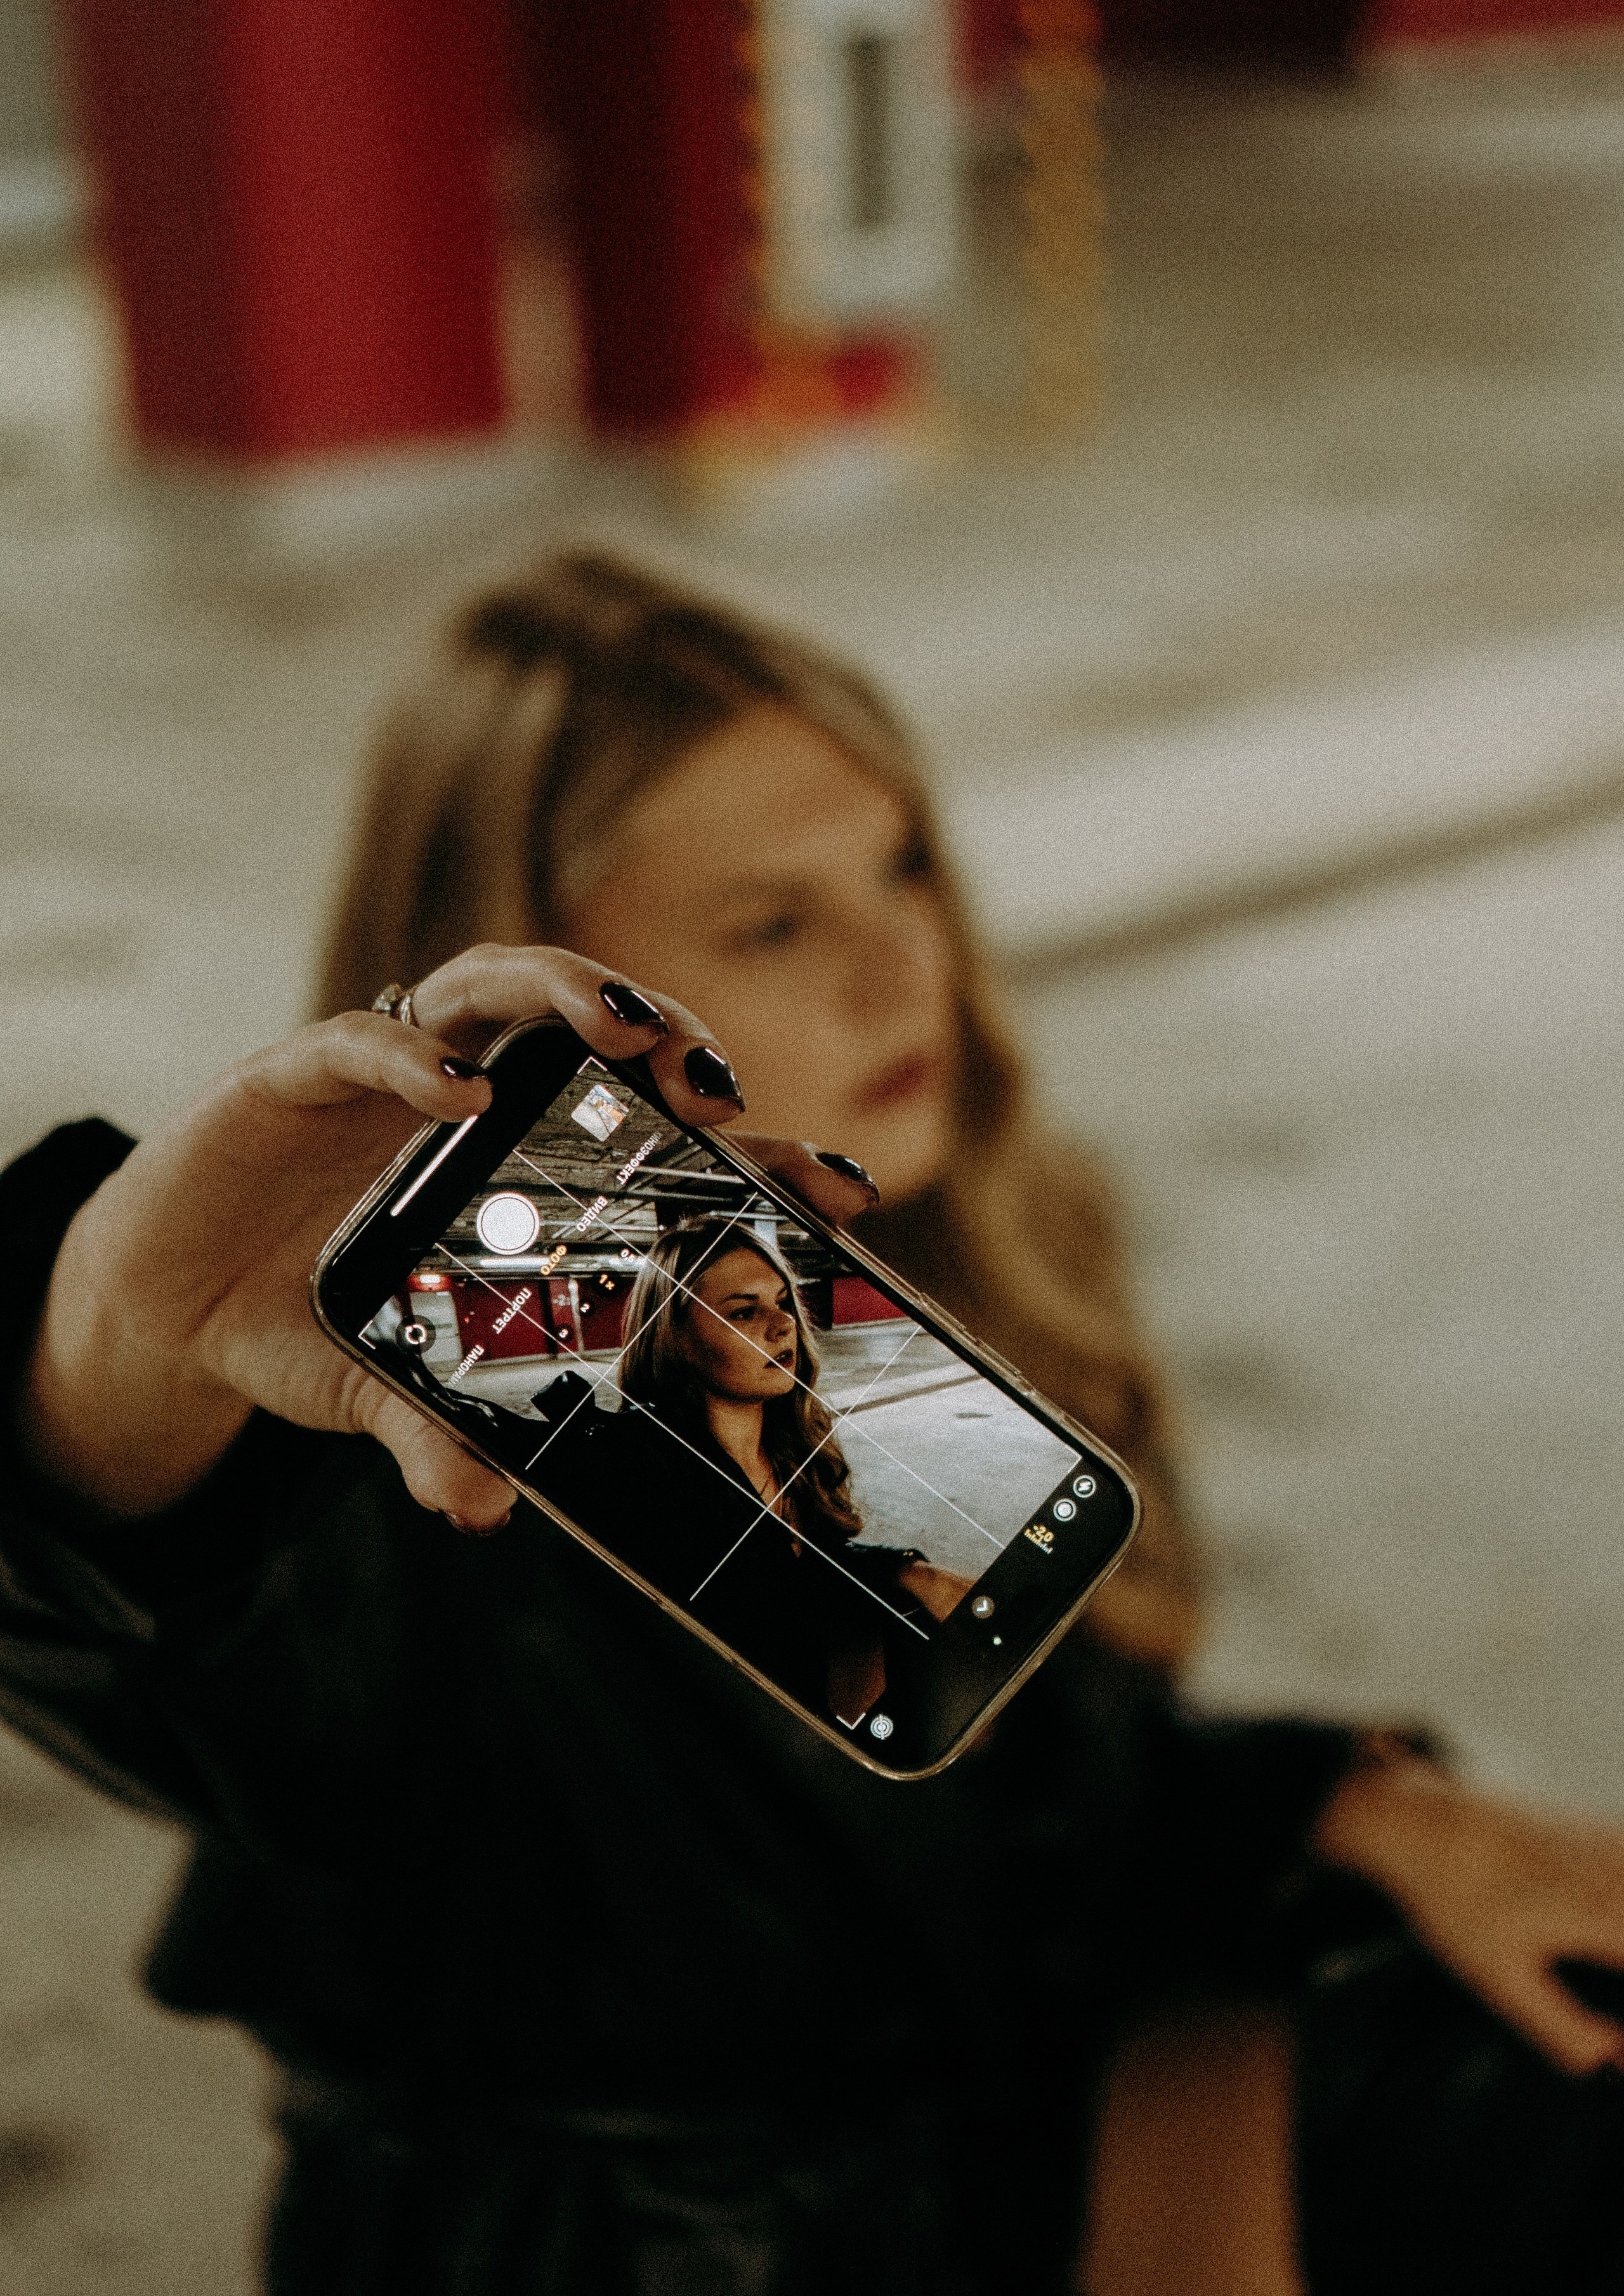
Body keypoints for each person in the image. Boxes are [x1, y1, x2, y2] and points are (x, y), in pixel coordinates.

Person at [4, 556, 1624, 2293]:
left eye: (902, 862)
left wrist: (1345, 1804)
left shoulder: (944, 1257)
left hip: (1008, 2126)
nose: (899, 967)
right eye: (772, 924)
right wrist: (102, 1349)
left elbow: (1019, 1775)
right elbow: (149, 1598)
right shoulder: (404, 1454)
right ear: (557, 995)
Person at [527, 1216, 971, 1722]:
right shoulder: (639, 1464)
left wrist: (911, 1572)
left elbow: (804, 1565)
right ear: (677, 1339)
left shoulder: (795, 1440)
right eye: (744, 1312)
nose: (783, 1325)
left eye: (783, 1302)